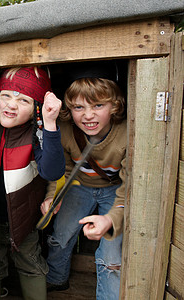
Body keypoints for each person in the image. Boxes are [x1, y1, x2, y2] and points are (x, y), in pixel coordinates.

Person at [40, 61, 127, 300]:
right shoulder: (67, 130)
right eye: (79, 107)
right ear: (69, 108)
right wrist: (51, 197)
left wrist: (110, 219)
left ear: (115, 105)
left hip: (115, 191)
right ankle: (57, 280)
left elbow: (130, 188)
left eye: (98, 105)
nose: (88, 115)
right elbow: (62, 171)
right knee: (60, 237)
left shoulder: (127, 133)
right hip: (80, 187)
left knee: (111, 257)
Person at [0, 66, 65, 300]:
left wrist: (50, 122)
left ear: (36, 108)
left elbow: (53, 171)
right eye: (6, 95)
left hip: (24, 219)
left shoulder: (36, 134)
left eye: (23, 99)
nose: (11, 104)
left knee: (30, 263)